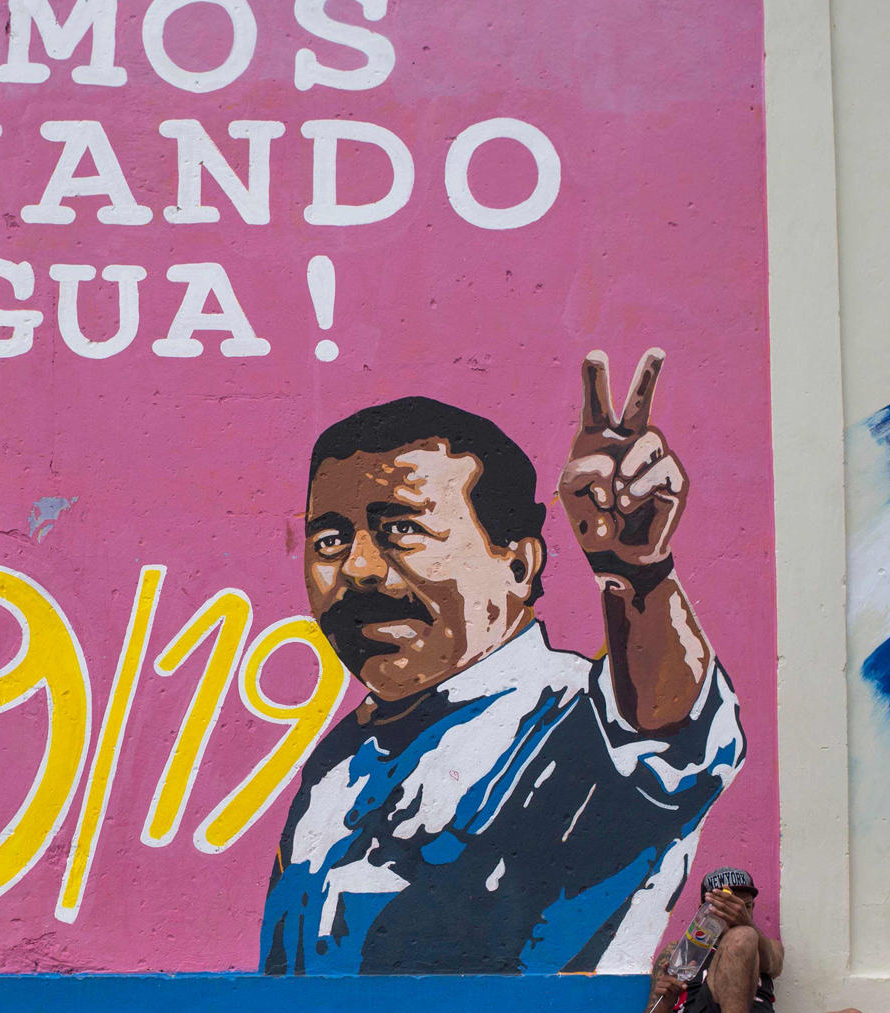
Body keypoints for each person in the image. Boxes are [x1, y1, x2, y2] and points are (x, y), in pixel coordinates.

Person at [259, 349, 746, 974]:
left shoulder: (575, 718)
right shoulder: (341, 759)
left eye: (402, 529)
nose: (357, 568)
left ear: (518, 564)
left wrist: (636, 574)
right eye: (329, 540)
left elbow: (667, 730)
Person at [645, 867, 870, 1013]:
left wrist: (746, 924)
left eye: (746, 907)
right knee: (742, 937)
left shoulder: (766, 946)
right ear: (703, 909)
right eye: (725, 907)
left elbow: (774, 964)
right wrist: (666, 1001)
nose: (736, 914)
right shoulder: (678, 952)